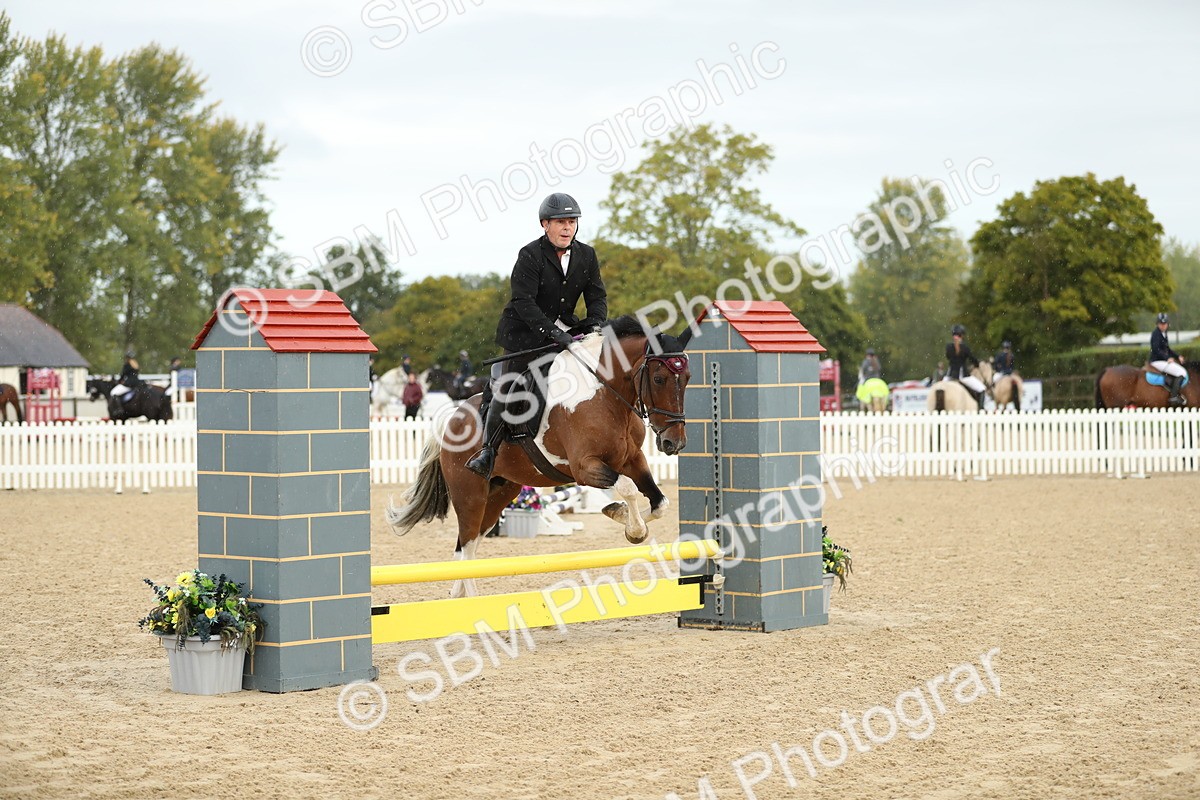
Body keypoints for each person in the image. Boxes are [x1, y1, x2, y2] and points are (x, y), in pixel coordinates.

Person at [465, 192, 607, 478]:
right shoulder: (529, 255)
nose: (567, 228)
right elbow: (524, 303)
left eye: (572, 222)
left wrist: (594, 324)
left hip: (567, 331)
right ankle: (488, 452)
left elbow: (597, 296)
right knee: (506, 387)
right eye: (560, 222)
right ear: (545, 224)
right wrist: (554, 332)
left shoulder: (586, 254)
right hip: (525, 335)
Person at [1150, 313, 1187, 406]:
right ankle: (1174, 397)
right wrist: (1167, 358)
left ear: (1167, 324)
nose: (1163, 325)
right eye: (1161, 323)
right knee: (1181, 373)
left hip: (1162, 360)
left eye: (1165, 323)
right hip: (1156, 361)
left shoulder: (1163, 334)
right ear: (1157, 324)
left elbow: (1167, 349)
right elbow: (1156, 349)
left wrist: (1177, 356)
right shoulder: (1156, 334)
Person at [946, 324, 985, 408]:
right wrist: (976, 364)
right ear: (962, 335)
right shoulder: (965, 347)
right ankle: (980, 409)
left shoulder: (948, 347)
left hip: (950, 375)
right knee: (982, 389)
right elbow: (972, 359)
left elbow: (948, 357)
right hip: (962, 376)